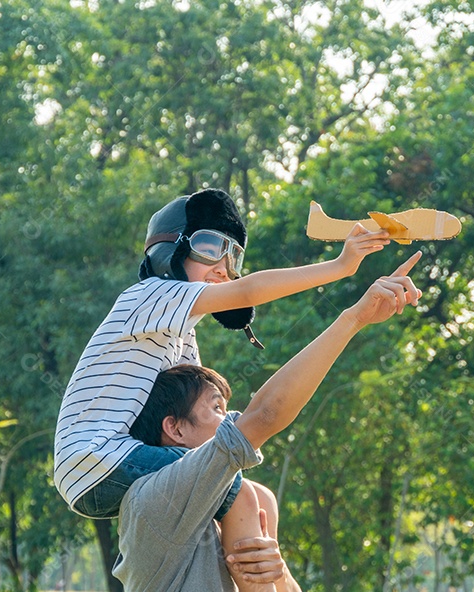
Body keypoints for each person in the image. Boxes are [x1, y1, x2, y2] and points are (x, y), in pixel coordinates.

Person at [53, 189, 392, 590]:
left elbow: (196, 426)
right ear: (173, 251)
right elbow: (247, 292)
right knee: (242, 495)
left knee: (260, 497)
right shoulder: (147, 296)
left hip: (114, 464)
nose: (224, 267)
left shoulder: (182, 340)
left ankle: (263, 572)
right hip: (95, 459)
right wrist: (341, 267)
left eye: (234, 258)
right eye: (211, 247)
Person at [113, 255, 422, 590]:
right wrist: (353, 318)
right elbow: (265, 416)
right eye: (217, 409)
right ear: (175, 428)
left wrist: (279, 573)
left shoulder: (228, 509)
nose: (230, 420)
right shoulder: (153, 499)